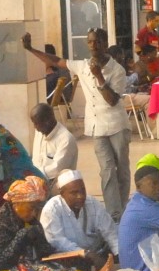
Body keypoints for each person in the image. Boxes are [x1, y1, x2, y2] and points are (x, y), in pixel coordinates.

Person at [22, 29, 131, 220]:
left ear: (105, 43)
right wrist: (31, 49)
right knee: (106, 169)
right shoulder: (82, 66)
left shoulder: (117, 70)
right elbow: (56, 61)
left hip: (116, 125)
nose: (93, 46)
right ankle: (114, 214)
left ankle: (122, 207)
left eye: (97, 42)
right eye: (90, 42)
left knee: (120, 168)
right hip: (97, 127)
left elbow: (112, 100)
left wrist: (99, 77)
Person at [40, 170, 119, 269]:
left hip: (97, 254)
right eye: (74, 193)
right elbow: (57, 242)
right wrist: (85, 253)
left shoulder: (93, 203)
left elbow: (110, 232)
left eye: (83, 190)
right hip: (68, 260)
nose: (80, 196)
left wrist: (119, 254)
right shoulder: (52, 209)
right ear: (62, 194)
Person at [0, 177, 55, 270]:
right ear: (16, 204)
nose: (34, 213)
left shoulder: (29, 221)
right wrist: (23, 235)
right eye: (31, 208)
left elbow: (45, 251)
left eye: (37, 209)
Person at [30, 103, 78, 198]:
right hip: (37, 182)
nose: (35, 127)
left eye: (36, 123)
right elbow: (35, 160)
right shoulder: (40, 131)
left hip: (57, 188)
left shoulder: (66, 139)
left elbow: (57, 170)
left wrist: (33, 174)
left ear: (48, 121)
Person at [135, 11, 159, 76]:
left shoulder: (155, 33)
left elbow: (157, 48)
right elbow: (137, 48)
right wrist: (146, 57)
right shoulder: (143, 32)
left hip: (156, 64)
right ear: (150, 20)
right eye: (156, 21)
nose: (158, 23)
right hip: (148, 67)